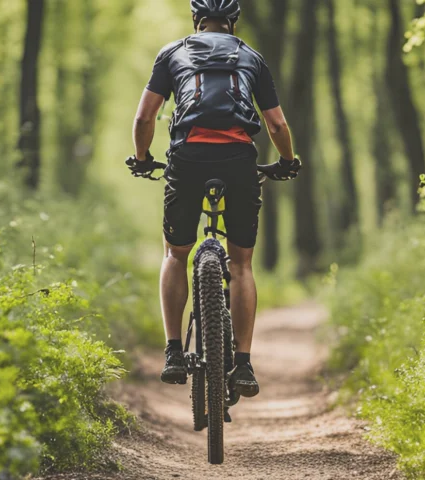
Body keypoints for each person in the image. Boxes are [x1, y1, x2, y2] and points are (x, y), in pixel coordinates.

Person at [125, 0, 301, 400]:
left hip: (187, 157)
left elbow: (143, 119)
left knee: (175, 254)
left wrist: (141, 158)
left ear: (196, 21)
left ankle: (172, 352)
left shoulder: (172, 53)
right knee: (240, 264)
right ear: (233, 24)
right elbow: (276, 123)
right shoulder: (252, 57)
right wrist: (287, 161)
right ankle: (243, 363)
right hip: (239, 160)